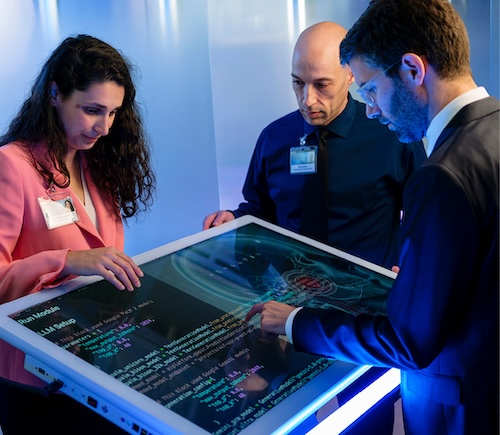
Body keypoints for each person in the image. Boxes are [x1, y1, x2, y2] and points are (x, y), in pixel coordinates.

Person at [246, 1, 499, 434]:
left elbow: (410, 341)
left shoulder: (440, 174)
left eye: (371, 90)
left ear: (412, 70)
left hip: (462, 406)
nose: (373, 109)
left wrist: (293, 321)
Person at [0, 35, 155, 434]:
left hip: (95, 367)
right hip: (35, 380)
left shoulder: (98, 166)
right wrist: (66, 261)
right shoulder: (12, 166)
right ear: (54, 94)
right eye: (91, 111)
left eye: (114, 113)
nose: (104, 127)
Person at [203, 21, 426, 270]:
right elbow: (260, 209)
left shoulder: (392, 134)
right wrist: (233, 219)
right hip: (289, 298)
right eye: (298, 83)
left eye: (322, 85)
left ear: (350, 74)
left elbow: (426, 216)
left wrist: (414, 268)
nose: (307, 100)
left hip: (366, 299)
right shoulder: (274, 138)